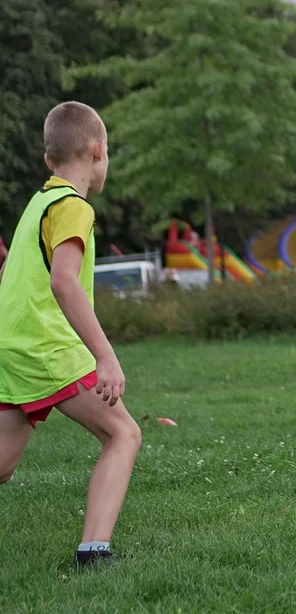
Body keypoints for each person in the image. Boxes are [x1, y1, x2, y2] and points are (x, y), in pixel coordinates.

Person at [0, 102, 142, 568]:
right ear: (99, 150)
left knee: (2, 466)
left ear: (48, 160)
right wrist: (106, 356)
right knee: (123, 434)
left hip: (10, 347)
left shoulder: (38, 202)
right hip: (45, 348)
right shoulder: (73, 206)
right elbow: (63, 281)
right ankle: (94, 552)